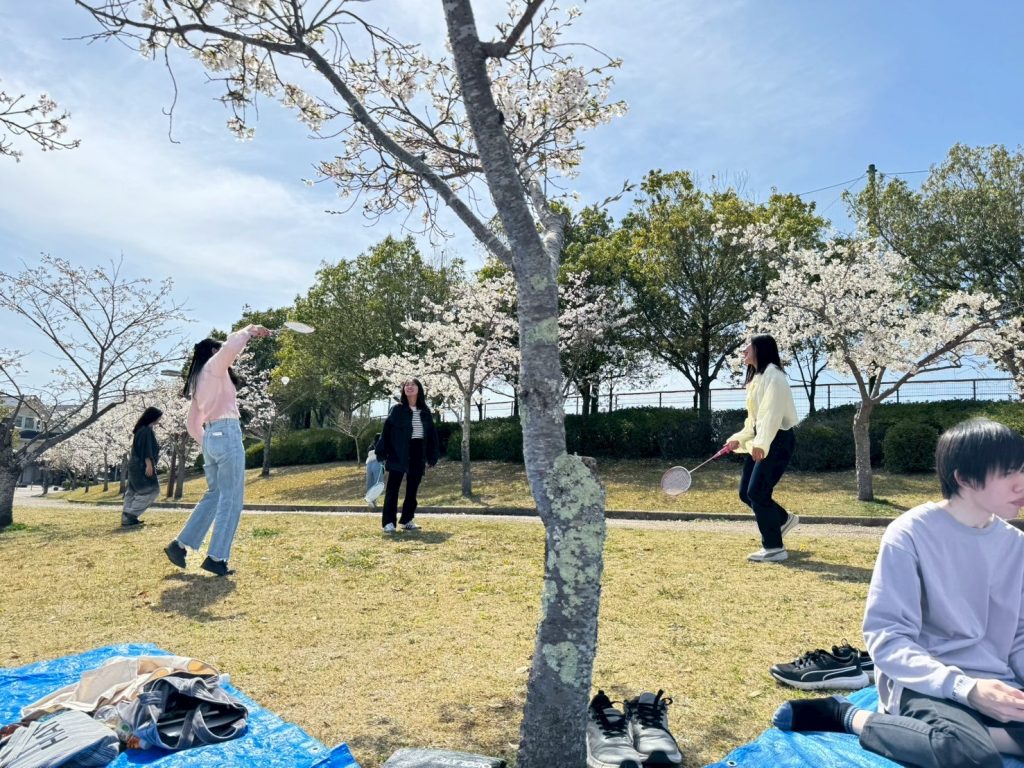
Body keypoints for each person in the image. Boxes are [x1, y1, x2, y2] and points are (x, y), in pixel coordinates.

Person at [773, 418, 1024, 768]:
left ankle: (977, 736)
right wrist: (965, 689)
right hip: (926, 684)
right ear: (964, 478)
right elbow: (887, 637)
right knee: (969, 757)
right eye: (1009, 473)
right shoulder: (910, 534)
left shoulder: (1015, 545)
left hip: (997, 684)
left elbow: (1018, 635)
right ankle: (848, 716)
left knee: (971, 745)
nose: (1021, 483)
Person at [163, 324, 271, 576]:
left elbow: (192, 425)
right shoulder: (214, 366)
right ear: (213, 351)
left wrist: (209, 442)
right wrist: (251, 330)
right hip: (226, 433)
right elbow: (231, 347)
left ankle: (179, 545)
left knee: (215, 495)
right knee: (231, 499)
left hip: (211, 437)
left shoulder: (198, 381)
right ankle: (217, 558)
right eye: (218, 348)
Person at [725, 334, 800, 563]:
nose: (744, 350)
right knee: (746, 493)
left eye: (748, 346)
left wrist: (762, 443)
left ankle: (774, 548)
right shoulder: (757, 379)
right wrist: (738, 439)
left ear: (760, 349)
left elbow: (772, 414)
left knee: (757, 492)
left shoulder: (774, 376)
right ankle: (782, 519)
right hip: (764, 439)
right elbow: (754, 421)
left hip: (776, 440)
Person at [373, 378, 440, 534]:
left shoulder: (425, 411)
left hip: (418, 451)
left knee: (412, 489)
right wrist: (381, 451)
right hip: (399, 451)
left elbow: (431, 435)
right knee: (393, 488)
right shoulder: (397, 409)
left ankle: (407, 519)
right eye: (407, 385)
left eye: (413, 385)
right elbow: (387, 431)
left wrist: (432, 456)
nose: (409, 387)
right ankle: (389, 522)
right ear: (403, 390)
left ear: (419, 389)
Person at [121, 406, 162, 527]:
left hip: (134, 465)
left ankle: (126, 518)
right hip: (142, 465)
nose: (159, 420)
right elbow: (146, 449)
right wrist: (149, 464)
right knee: (152, 490)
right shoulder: (146, 431)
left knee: (132, 491)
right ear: (153, 417)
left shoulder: (140, 429)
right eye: (159, 417)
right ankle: (131, 514)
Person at [364, 432, 384, 508]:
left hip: (369, 464)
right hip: (377, 463)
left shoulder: (370, 446)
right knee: (378, 483)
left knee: (370, 483)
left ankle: (370, 501)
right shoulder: (380, 444)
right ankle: (374, 501)